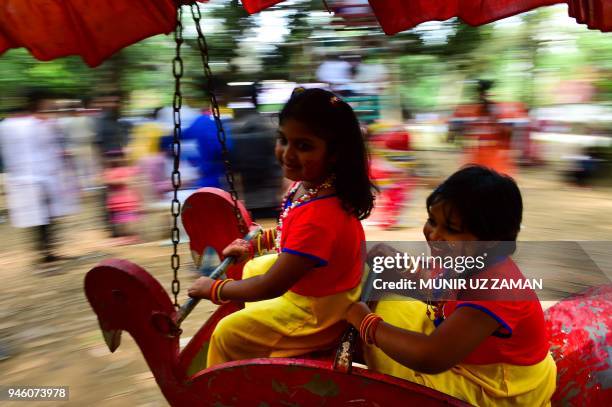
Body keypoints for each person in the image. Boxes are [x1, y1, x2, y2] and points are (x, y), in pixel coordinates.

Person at [187, 88, 377, 368]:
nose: (287, 153)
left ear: (334, 154)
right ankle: (263, 340)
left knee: (226, 333)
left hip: (317, 314)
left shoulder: (320, 214)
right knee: (252, 267)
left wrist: (215, 288)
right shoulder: (309, 187)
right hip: (325, 288)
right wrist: (254, 244)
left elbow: (271, 285)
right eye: (283, 139)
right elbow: (288, 230)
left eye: (304, 146)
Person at [346, 165, 556, 406]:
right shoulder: (463, 257)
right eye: (432, 221)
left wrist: (366, 323)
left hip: (495, 385)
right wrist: (404, 266)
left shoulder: (494, 290)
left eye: (451, 230)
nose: (434, 235)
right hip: (463, 345)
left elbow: (431, 357)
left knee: (392, 365)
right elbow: (436, 284)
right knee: (385, 307)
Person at [0, 89, 79, 263]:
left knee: (49, 216)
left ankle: (50, 250)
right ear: (36, 105)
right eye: (47, 105)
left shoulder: (47, 125)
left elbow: (52, 148)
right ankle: (44, 252)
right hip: (29, 178)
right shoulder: (16, 126)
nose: (50, 109)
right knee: (39, 217)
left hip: (47, 176)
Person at [457, 80, 516, 176]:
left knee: (490, 177)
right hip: (483, 152)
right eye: (482, 93)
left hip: (491, 153)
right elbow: (469, 130)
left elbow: (504, 131)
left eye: (485, 93)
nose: (483, 96)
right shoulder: (477, 110)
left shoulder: (493, 109)